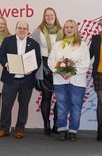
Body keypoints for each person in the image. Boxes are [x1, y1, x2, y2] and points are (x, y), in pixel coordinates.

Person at [0, 20, 41, 139]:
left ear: (28, 30)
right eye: (19, 28)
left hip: (27, 80)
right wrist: (7, 65)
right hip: (10, 79)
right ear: (15, 29)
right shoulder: (7, 41)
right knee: (6, 105)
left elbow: (38, 60)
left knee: (23, 105)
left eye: (24, 28)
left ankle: (20, 129)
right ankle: (4, 129)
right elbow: (1, 56)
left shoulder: (34, 44)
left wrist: (32, 69)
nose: (22, 30)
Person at [48, 20, 90, 141]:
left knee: (75, 106)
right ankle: (61, 129)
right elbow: (51, 61)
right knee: (61, 106)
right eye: (67, 27)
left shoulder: (82, 45)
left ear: (75, 29)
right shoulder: (57, 44)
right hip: (60, 80)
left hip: (77, 81)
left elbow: (85, 63)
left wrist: (71, 72)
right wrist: (60, 72)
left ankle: (73, 131)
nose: (69, 29)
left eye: (72, 27)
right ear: (63, 29)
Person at [32, 7, 63, 135]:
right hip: (43, 66)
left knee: (60, 97)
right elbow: (32, 49)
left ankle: (57, 123)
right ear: (44, 17)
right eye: (47, 15)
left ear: (55, 16)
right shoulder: (38, 31)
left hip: (58, 65)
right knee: (46, 97)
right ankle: (46, 125)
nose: (49, 17)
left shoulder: (62, 31)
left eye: (52, 15)